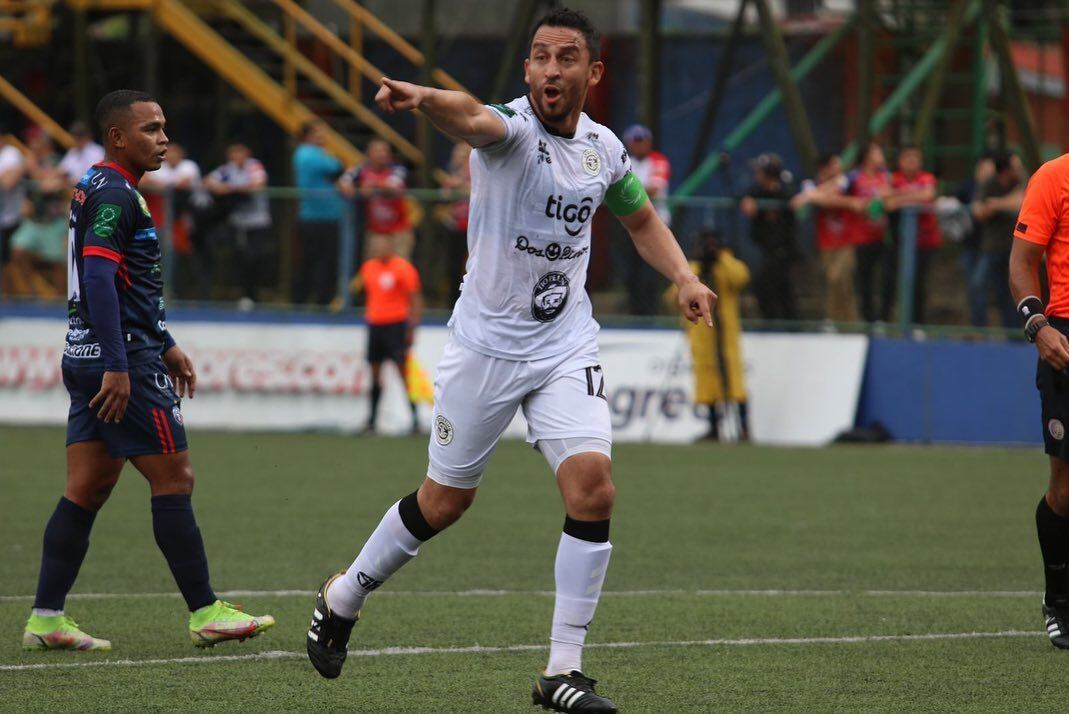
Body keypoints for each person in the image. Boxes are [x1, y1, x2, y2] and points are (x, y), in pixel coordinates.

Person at [304, 9, 716, 712]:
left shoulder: (603, 149)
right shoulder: (512, 131)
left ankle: (562, 671)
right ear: (526, 71)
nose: (550, 71)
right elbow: (471, 119)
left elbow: (639, 218)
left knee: (594, 489)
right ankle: (344, 595)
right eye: (539, 58)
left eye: (565, 58)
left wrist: (681, 275)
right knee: (445, 502)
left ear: (592, 73)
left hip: (563, 345)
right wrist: (426, 99)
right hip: (484, 349)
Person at [22, 90, 274, 652]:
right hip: (120, 361)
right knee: (174, 479)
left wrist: (166, 341)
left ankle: (45, 617)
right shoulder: (116, 194)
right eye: (152, 129)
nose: (164, 138)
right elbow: (98, 279)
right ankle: (206, 611)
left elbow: (124, 284)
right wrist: (124, 363)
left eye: (164, 128)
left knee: (88, 486)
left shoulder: (94, 182)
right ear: (118, 136)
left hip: (87, 354)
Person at [1008, 151, 1069, 650]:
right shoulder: (1054, 176)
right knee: (1067, 489)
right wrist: (1037, 324)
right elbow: (1022, 262)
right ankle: (1059, 599)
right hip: (1064, 338)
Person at [670, 229, 750, 441]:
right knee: (707, 382)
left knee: (734, 380)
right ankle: (714, 427)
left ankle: (743, 427)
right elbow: (673, 296)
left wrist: (721, 258)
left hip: (726, 337)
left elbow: (741, 276)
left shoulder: (726, 266)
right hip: (703, 338)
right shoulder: (693, 271)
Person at [343, 234, 423, 434]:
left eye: (381, 245)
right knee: (375, 374)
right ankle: (371, 421)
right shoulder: (368, 268)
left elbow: (415, 298)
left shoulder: (403, 268)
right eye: (374, 246)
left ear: (390, 246)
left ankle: (415, 420)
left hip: (396, 325)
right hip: (375, 325)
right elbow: (358, 289)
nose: (377, 249)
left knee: (403, 373)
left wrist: (412, 327)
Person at [792, 152, 858, 323]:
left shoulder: (844, 180)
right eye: (835, 164)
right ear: (825, 168)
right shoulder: (810, 183)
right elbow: (814, 198)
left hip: (846, 240)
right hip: (826, 241)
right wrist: (818, 196)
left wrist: (812, 196)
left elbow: (825, 199)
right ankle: (838, 319)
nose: (839, 168)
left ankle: (842, 319)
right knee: (831, 280)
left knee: (840, 278)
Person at [204, 144, 272, 307]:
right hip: (238, 222)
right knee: (240, 257)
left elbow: (259, 183)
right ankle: (244, 294)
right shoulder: (227, 169)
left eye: (240, 152)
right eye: (233, 153)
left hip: (257, 220)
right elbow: (207, 181)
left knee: (256, 256)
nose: (236, 156)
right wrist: (221, 187)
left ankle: (254, 294)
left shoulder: (254, 166)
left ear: (247, 153)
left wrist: (230, 188)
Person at [141, 143, 209, 299]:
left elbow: (182, 184)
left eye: (174, 154)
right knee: (161, 253)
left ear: (181, 155)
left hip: (193, 215)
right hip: (165, 218)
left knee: (188, 255)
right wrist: (165, 185)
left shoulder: (188, 166)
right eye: (168, 153)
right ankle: (167, 291)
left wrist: (161, 185)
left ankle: (192, 292)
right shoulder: (159, 166)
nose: (171, 156)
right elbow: (144, 181)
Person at [887, 145, 941, 324]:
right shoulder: (893, 179)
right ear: (900, 161)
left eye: (915, 157)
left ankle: (918, 324)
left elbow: (927, 195)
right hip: (899, 241)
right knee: (894, 282)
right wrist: (910, 195)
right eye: (907, 157)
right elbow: (884, 199)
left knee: (919, 285)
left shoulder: (927, 178)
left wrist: (899, 199)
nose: (912, 161)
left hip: (925, 241)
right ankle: (893, 321)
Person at [740, 153, 797, 321]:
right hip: (766, 248)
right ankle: (778, 322)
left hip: (784, 248)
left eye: (760, 172)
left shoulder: (785, 188)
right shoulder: (757, 191)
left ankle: (782, 323)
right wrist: (747, 199)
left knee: (769, 284)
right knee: (777, 286)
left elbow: (791, 198)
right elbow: (745, 196)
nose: (756, 176)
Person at [620, 124, 671, 315]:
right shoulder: (624, 161)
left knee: (651, 270)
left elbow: (654, 188)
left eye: (643, 141)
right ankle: (634, 310)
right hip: (629, 224)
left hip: (656, 224)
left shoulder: (658, 160)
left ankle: (651, 311)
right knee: (631, 271)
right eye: (636, 141)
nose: (639, 145)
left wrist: (628, 190)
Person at [293, 120, 344, 305]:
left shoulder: (313, 153)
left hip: (327, 216)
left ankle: (320, 300)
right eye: (317, 133)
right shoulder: (307, 153)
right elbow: (336, 166)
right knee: (313, 261)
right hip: (315, 217)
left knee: (325, 261)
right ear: (307, 136)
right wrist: (335, 160)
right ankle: (303, 300)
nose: (322, 137)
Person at [338, 138, 414, 261]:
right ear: (369, 154)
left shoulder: (397, 169)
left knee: (400, 266)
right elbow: (343, 181)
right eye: (378, 151)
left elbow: (392, 185)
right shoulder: (361, 169)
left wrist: (371, 185)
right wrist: (348, 186)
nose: (382, 154)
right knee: (372, 267)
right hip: (375, 232)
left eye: (385, 151)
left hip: (398, 231)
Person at [972, 150, 1023, 327]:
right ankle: (979, 329)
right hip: (991, 247)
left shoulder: (1020, 183)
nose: (1019, 170)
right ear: (1006, 169)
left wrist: (996, 204)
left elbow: (1022, 202)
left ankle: (1015, 333)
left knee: (1011, 291)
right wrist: (1006, 203)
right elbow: (978, 212)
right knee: (978, 285)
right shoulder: (989, 184)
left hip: (1015, 248)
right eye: (1015, 166)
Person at [847, 142, 892, 322]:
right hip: (862, 236)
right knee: (864, 279)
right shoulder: (854, 177)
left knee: (888, 277)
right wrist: (852, 203)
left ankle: (884, 317)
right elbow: (836, 190)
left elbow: (894, 195)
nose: (880, 154)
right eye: (876, 151)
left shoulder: (887, 176)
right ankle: (868, 319)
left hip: (885, 236)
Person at [1, 187, 67, 298]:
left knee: (60, 264)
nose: (55, 207)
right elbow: (17, 249)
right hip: (36, 251)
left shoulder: (62, 223)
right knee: (16, 257)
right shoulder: (30, 223)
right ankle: (31, 292)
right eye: (52, 204)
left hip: (58, 250)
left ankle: (60, 298)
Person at [436, 141, 472, 307]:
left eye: (465, 155)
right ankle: (452, 303)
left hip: (474, 228)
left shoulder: (480, 171)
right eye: (459, 155)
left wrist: (461, 185)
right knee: (453, 265)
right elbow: (444, 196)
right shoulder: (451, 174)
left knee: (472, 266)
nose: (462, 158)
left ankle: (470, 301)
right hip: (455, 226)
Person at [0, 129, 27, 268]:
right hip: (4, 217)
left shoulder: (11, 153)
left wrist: (8, 175)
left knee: (12, 260)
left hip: (12, 217)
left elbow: (8, 183)